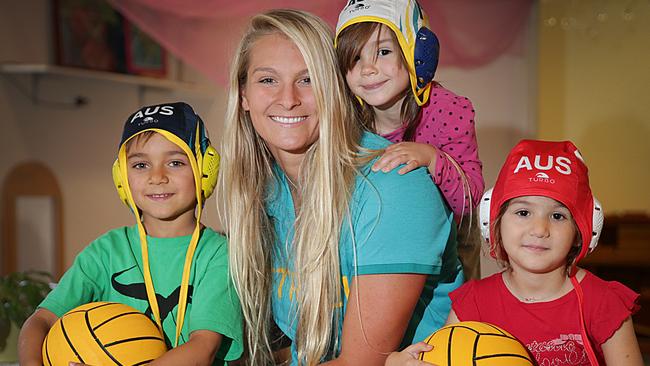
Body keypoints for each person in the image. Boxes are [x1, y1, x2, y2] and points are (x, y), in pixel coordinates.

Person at [218, 9, 463, 366]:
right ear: (243, 95)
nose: (288, 99)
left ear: (334, 89)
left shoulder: (392, 185)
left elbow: (361, 362)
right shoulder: (267, 190)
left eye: (308, 80)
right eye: (268, 80)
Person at [18, 102, 243, 366]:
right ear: (121, 178)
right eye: (140, 165)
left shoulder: (218, 255)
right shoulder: (105, 252)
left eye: (175, 162)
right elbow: (41, 320)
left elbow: (202, 349)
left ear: (205, 169)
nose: (157, 176)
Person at [389, 139, 643, 366]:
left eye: (557, 216)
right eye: (523, 212)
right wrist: (397, 362)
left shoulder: (604, 303)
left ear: (582, 230)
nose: (540, 229)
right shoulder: (473, 304)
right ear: (493, 220)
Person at [335, 0, 485, 280]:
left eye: (383, 51)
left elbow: (469, 199)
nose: (368, 69)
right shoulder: (349, 119)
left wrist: (431, 157)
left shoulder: (449, 109)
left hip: (450, 257)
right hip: (382, 245)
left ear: (418, 52)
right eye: (355, 58)